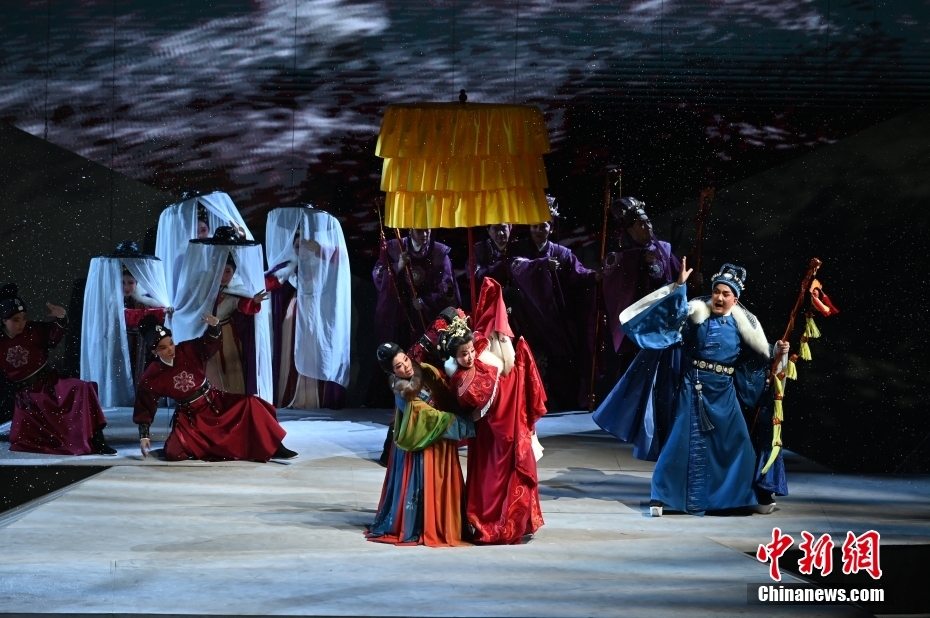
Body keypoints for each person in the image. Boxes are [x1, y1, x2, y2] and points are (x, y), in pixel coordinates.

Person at [593, 259, 789, 516]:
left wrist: (778, 351)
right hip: (694, 388)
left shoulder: (744, 325)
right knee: (680, 442)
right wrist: (679, 286)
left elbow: (760, 358)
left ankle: (743, 496)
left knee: (737, 444)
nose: (719, 298)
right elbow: (671, 318)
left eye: (725, 294)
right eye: (716, 292)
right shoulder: (697, 315)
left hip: (724, 392)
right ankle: (661, 496)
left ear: (735, 299)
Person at [440, 278, 548, 544]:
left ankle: (513, 521)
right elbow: (476, 395)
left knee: (506, 470)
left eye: (469, 351)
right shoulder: (471, 366)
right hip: (489, 429)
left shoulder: (492, 353)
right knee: (490, 473)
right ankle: (489, 521)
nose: (469, 356)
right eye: (463, 354)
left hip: (505, 422)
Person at [134, 314, 296, 462]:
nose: (171, 349)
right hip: (191, 416)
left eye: (171, 343)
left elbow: (207, 344)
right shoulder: (152, 376)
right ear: (154, 351)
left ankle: (275, 446)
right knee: (172, 453)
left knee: (252, 404)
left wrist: (214, 327)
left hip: (213, 401)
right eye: (163, 348)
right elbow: (145, 404)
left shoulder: (187, 350)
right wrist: (144, 435)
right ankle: (213, 448)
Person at [367, 342, 475, 547]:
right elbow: (427, 416)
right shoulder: (402, 392)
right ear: (392, 372)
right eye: (398, 366)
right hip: (420, 444)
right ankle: (422, 525)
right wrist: (465, 423)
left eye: (405, 360)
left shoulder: (426, 370)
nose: (406, 366)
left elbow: (446, 392)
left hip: (438, 441)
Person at [0, 283, 115, 455]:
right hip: (28, 395)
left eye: (23, 318)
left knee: (84, 388)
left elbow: (52, 335)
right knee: (20, 438)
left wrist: (61, 318)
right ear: (4, 320)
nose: (21, 323)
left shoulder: (32, 330)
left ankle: (97, 439)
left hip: (51, 382)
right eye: (16, 320)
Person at [509, 199, 599, 409]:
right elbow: (516, 267)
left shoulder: (562, 253)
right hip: (529, 318)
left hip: (556, 317)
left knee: (561, 365)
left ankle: (562, 405)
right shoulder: (519, 248)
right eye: (534, 226)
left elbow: (579, 275)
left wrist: (593, 277)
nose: (538, 231)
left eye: (543, 226)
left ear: (551, 227)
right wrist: (542, 265)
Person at [265, 206, 351, 409]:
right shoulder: (290, 265)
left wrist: (319, 249)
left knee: (314, 353)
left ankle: (314, 398)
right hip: (295, 311)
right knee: (291, 350)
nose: (300, 249)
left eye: (305, 245)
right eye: (297, 245)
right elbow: (270, 279)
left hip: (317, 312)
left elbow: (341, 259)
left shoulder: (322, 263)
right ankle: (291, 395)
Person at [600, 197, 682, 380]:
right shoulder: (623, 257)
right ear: (630, 230)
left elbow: (678, 277)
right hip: (639, 324)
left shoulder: (664, 249)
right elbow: (610, 273)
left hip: (663, 320)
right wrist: (638, 259)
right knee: (636, 372)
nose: (647, 227)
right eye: (641, 224)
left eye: (648, 222)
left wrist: (692, 281)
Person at [206, 251, 268, 395]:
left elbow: (242, 305)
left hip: (227, 333)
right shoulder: (205, 291)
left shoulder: (236, 292)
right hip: (207, 334)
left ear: (234, 273)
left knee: (230, 365)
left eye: (227, 271)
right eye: (220, 271)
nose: (223, 276)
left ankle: (232, 397)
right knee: (211, 364)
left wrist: (254, 301)